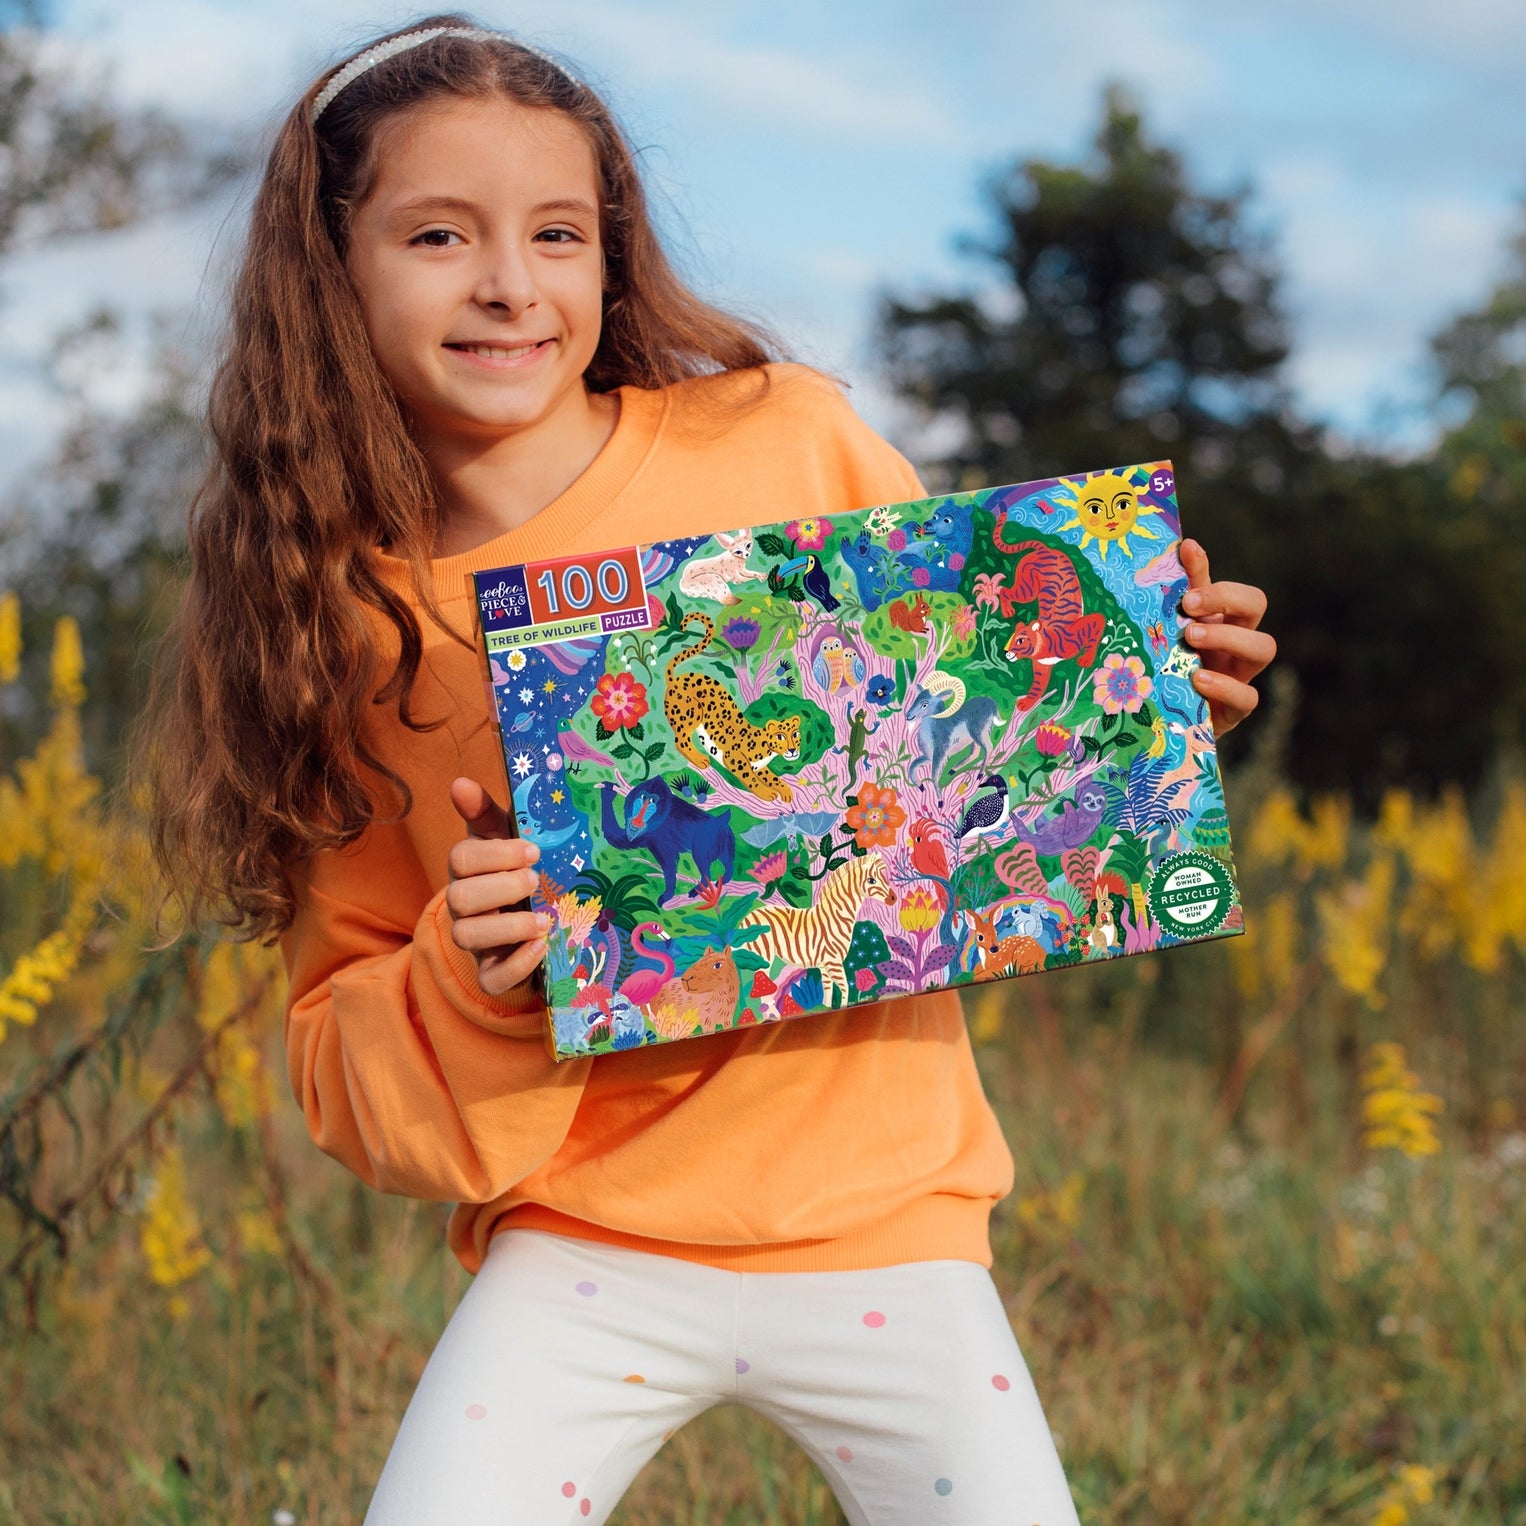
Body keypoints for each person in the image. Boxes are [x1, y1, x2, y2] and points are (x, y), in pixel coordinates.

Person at [139, 16, 1276, 1525]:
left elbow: (960, 740)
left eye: (557, 233)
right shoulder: (332, 627)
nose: (509, 283)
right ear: (329, 265)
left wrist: (1149, 693)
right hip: (579, 1249)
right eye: (438, 234)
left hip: (889, 1223)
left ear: (610, 255)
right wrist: (473, 971)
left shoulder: (785, 439)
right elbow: (342, 1067)